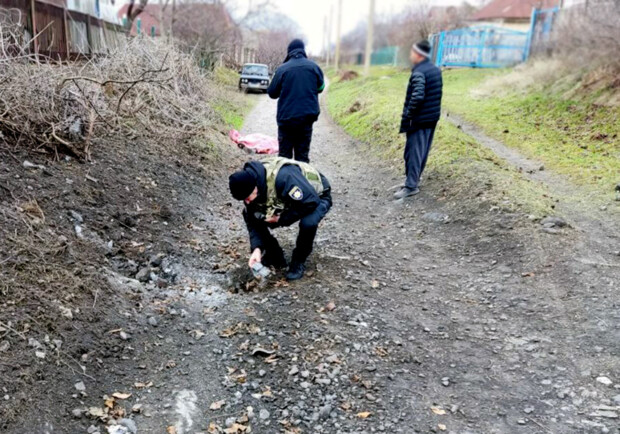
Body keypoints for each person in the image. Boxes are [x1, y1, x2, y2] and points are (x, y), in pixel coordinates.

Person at [228, 157, 332, 281]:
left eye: (247, 197)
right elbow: (252, 221)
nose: (247, 201)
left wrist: (281, 219)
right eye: (243, 200)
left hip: (316, 195)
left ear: (255, 187)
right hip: (290, 199)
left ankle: (298, 261)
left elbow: (310, 202)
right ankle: (274, 254)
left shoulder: (285, 178)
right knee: (251, 214)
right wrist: (257, 249)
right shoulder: (248, 186)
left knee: (308, 223)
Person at [394, 39, 443, 200]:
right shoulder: (435, 69)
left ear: (418, 54)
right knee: (422, 151)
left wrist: (408, 114)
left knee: (413, 153)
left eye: (412, 52)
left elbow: (418, 95)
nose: (410, 55)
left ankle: (411, 186)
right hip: (431, 118)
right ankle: (414, 180)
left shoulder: (419, 72)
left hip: (419, 119)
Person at [267, 39, 325, 163]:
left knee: (284, 158)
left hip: (286, 121)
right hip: (306, 120)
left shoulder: (282, 69)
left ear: (289, 52)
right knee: (302, 157)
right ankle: (301, 181)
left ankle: (285, 180)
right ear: (303, 51)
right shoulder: (314, 67)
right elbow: (321, 88)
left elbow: (272, 93)